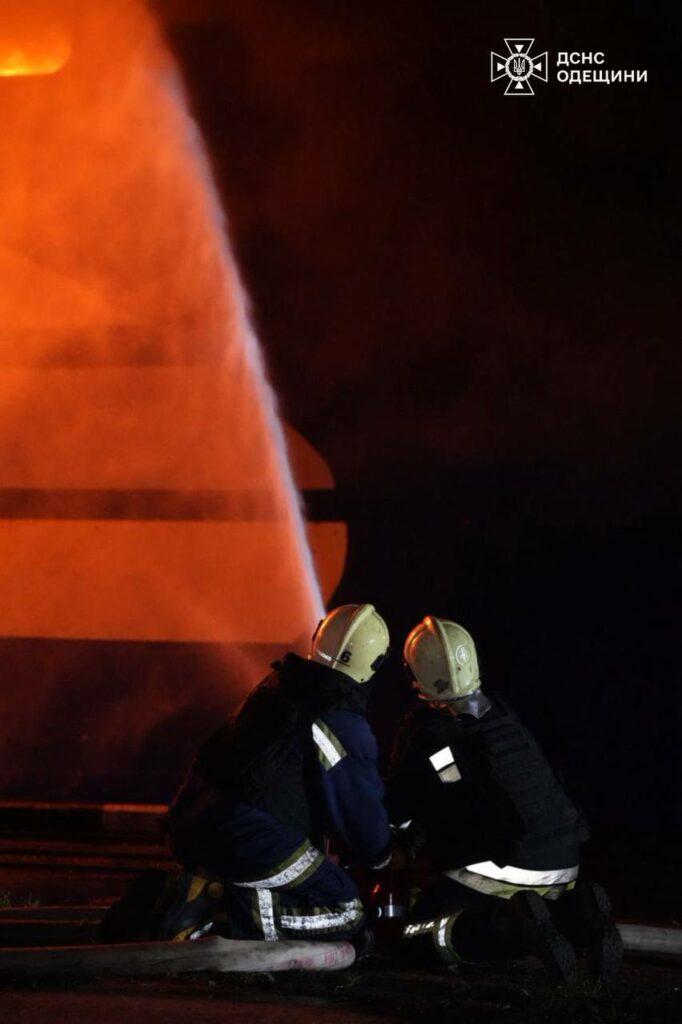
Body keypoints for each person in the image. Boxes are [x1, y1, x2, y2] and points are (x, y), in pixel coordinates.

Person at [386, 615, 622, 983]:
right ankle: (582, 916)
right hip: (566, 859)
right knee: (545, 906)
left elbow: (401, 806)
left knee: (414, 937)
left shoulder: (428, 730)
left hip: (506, 865)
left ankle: (511, 929)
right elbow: (462, 785)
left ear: (414, 671)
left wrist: (396, 842)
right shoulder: (502, 714)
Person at [157, 603, 393, 947]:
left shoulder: (276, 686)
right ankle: (222, 914)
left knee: (302, 872)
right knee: (346, 909)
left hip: (190, 824)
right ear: (375, 664)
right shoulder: (341, 719)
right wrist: (383, 854)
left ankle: (198, 894)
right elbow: (359, 815)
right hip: (249, 839)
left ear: (317, 637)